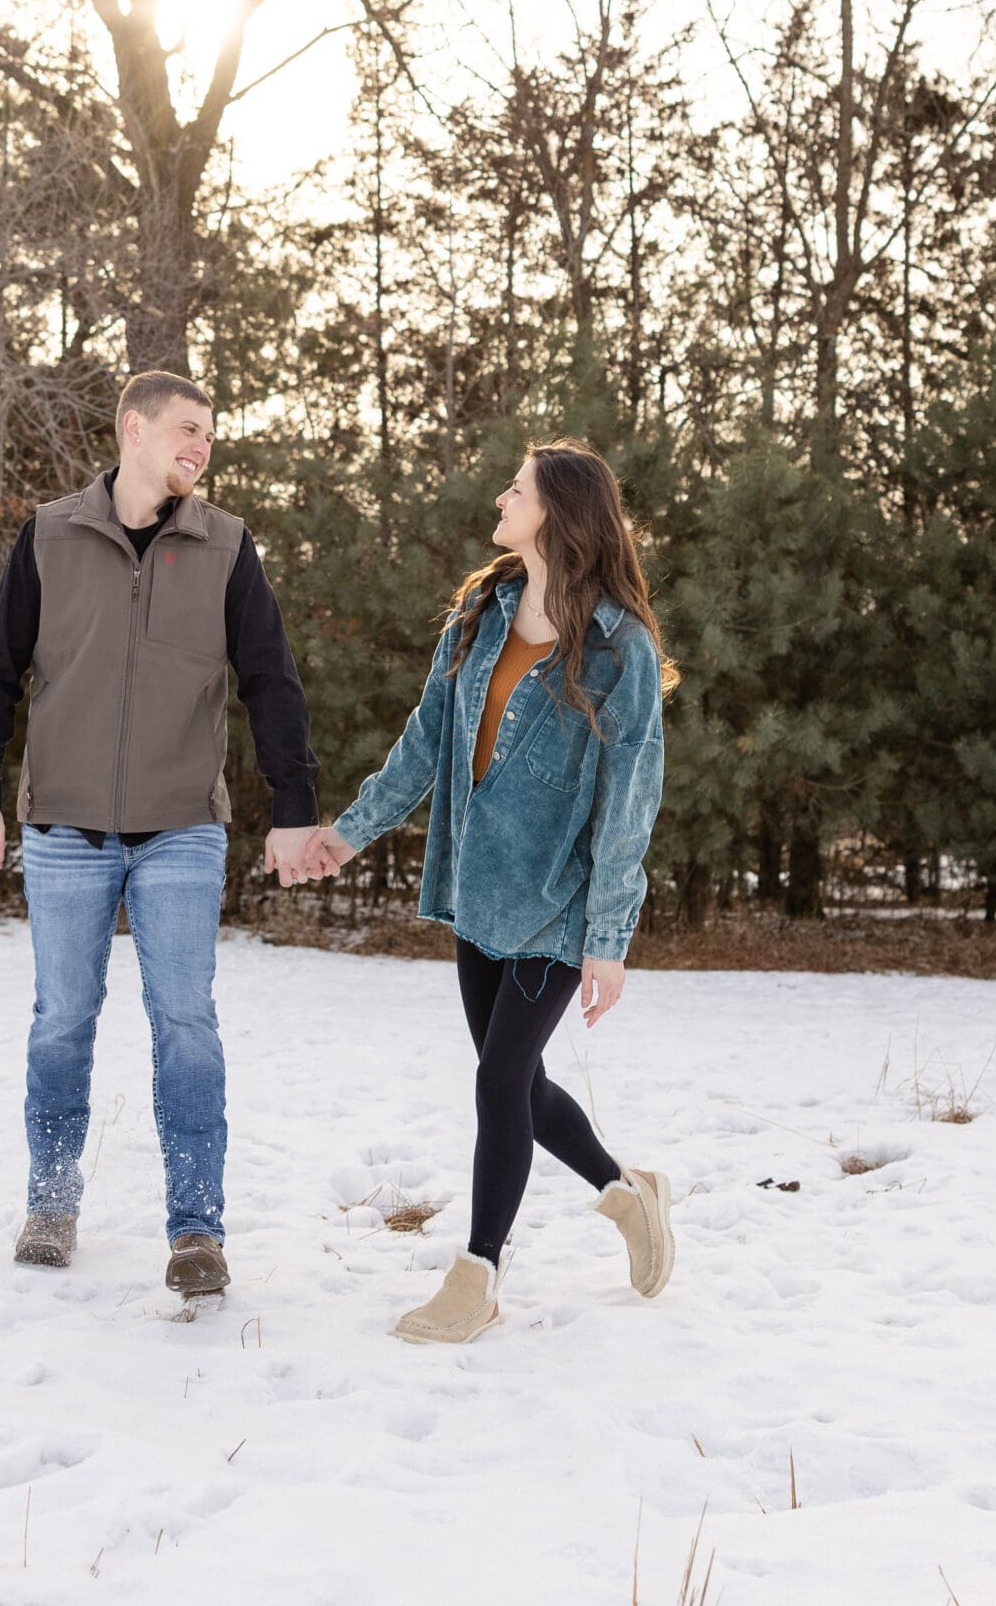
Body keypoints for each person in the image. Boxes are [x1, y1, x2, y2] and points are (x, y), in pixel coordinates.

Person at [0, 370, 323, 1300]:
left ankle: (197, 1228)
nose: (201, 447)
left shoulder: (226, 548)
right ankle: (50, 1201)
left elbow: (271, 682)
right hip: (64, 825)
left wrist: (292, 808)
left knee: (185, 1023)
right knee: (62, 1021)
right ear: (134, 430)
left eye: (210, 436)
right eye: (188, 430)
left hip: (181, 829)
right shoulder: (49, 536)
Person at [299, 439, 672, 1344]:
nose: (501, 499)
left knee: (501, 1079)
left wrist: (609, 936)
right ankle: (627, 1193)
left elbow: (631, 800)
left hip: (556, 899)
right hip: (476, 890)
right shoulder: (481, 610)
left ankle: (477, 1274)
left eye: (518, 489)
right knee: (516, 1083)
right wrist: (349, 833)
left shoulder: (618, 648)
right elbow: (428, 738)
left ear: (558, 513)